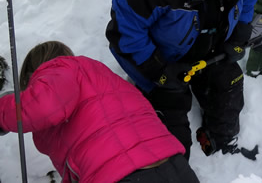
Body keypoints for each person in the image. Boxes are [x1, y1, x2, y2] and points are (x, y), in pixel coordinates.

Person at [106, 0, 258, 159]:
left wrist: (239, 35)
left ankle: (220, 140)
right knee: (172, 111)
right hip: (160, 55)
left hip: (207, 43)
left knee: (229, 82)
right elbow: (125, 30)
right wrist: (158, 69)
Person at [0, 41, 199, 183]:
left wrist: (3, 108)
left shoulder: (63, 69)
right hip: (175, 167)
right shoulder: (106, 82)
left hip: (125, 174)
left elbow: (41, 106)